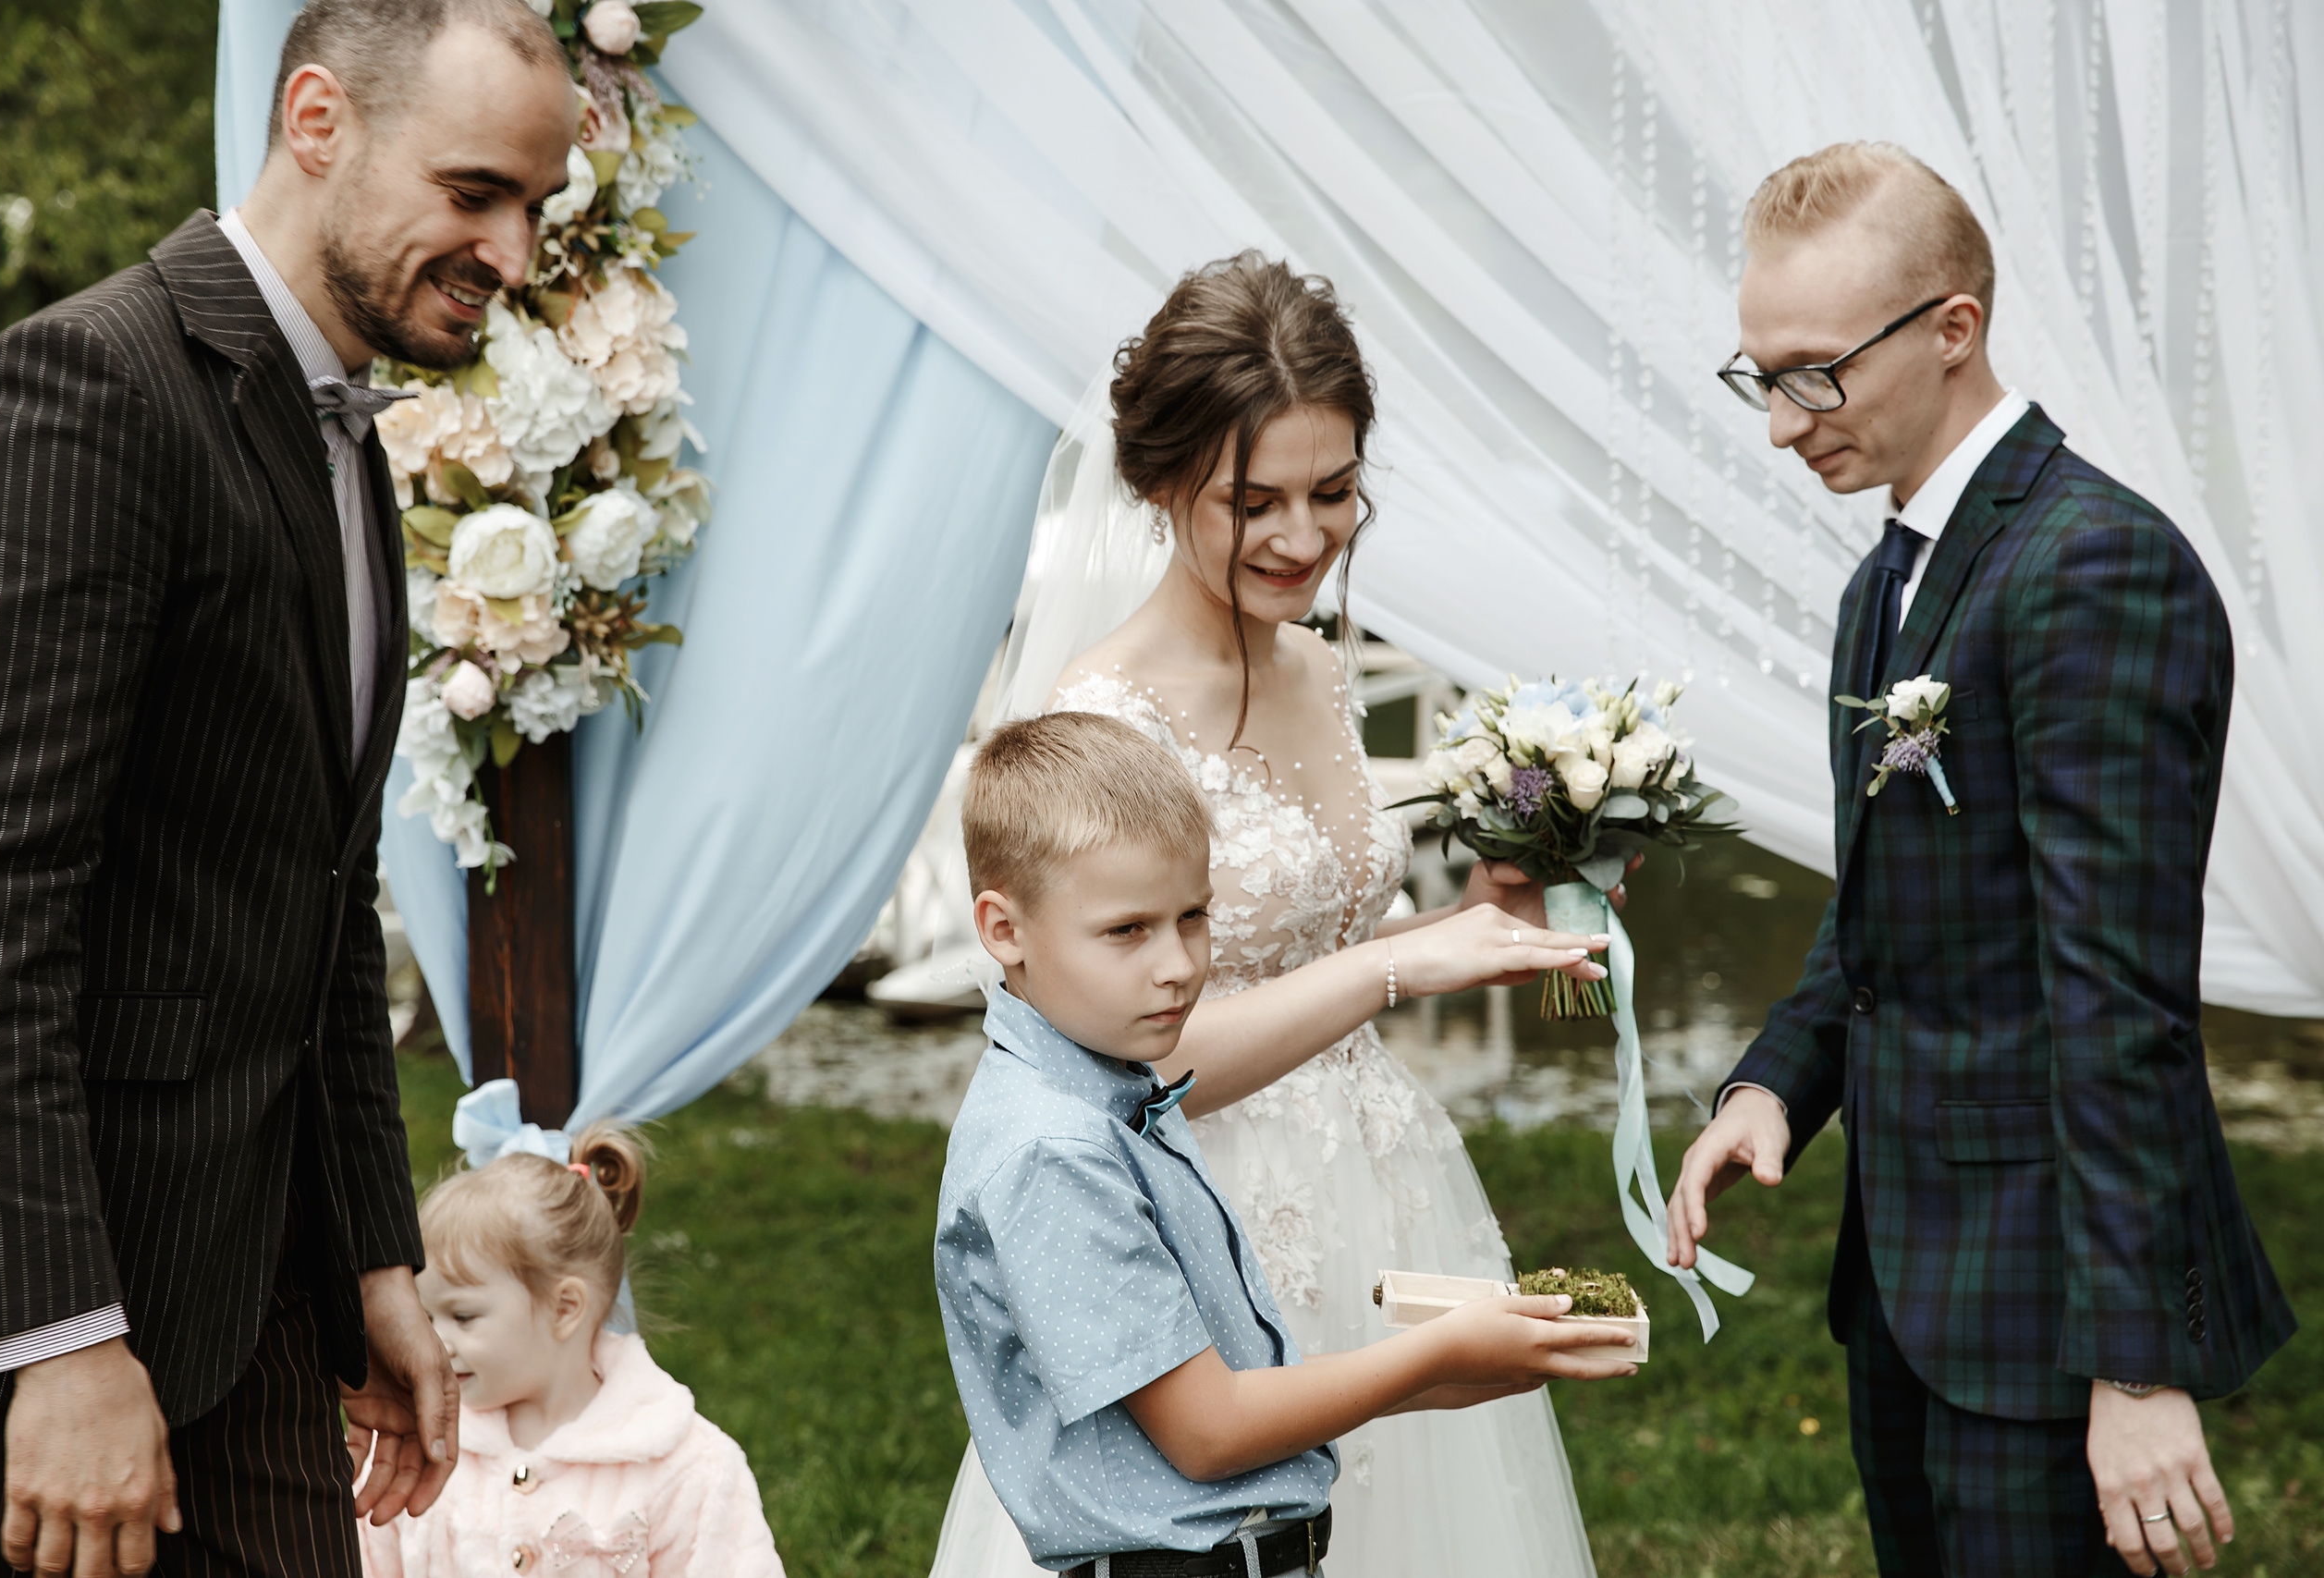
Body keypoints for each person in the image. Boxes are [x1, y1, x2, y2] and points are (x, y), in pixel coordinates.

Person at [0, 2, 579, 1573]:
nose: (512, 252)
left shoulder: (345, 440)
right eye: (475, 192)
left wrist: (371, 1251)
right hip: (70, 1332)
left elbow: (315, 898)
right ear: (318, 120)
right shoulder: (91, 388)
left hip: (260, 1307)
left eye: (534, 207)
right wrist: (58, 1334)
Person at [930, 253, 1614, 1578]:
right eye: (1255, 501)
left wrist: (1497, 909)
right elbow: (1138, 1065)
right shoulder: (1099, 722)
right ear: (1160, 484)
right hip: (1203, 1214)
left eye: (1335, 490)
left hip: (1382, 1180)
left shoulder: (1315, 659)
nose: (1304, 536)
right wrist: (1393, 978)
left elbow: (1339, 935)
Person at [1666, 142, 2296, 1578]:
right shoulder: (1885, 577)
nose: (1780, 422)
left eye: (1815, 371)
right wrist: (1777, 1078)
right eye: (1760, 373)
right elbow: (1891, 909)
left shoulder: (2091, 568)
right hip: (1907, 1283)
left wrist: (2133, 1366)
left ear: (1954, 329)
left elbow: (2119, 993)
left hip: (2048, 1310)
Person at [937, 712, 1634, 1577]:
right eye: (1127, 930)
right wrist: (1437, 1353)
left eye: (1194, 916)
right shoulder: (1051, 1150)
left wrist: (1469, 1366)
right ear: (1004, 930)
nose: (1179, 965)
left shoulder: (1112, 1082)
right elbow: (1209, 1431)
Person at [356, 1127, 785, 1578]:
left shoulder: (687, 1467)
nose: (435, 1344)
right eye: (426, 1318)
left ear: (564, 1308)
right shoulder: (415, 1443)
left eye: (462, 1317)